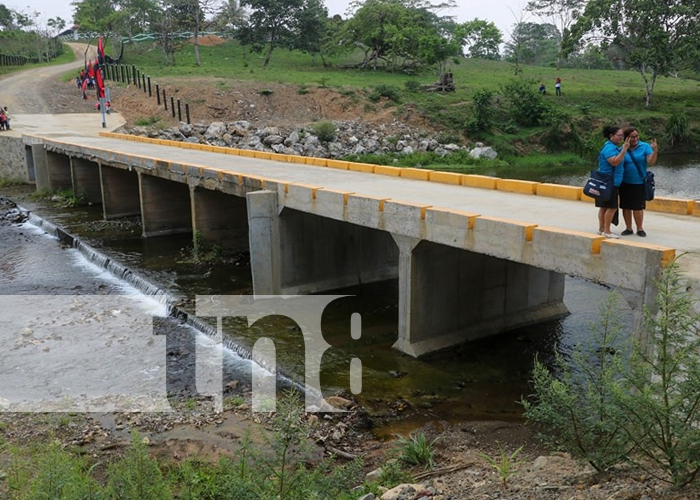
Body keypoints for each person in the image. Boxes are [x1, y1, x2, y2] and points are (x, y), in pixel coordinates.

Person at [619, 127, 658, 237]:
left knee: (638, 207)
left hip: (639, 182)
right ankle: (628, 228)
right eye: (632, 137)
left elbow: (650, 161)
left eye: (636, 136)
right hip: (624, 182)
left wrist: (655, 151)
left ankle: (640, 228)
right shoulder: (622, 148)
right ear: (626, 138)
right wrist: (624, 149)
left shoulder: (644, 146)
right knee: (626, 206)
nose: (635, 138)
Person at [596, 125, 630, 238]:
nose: (621, 138)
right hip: (609, 182)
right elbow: (614, 162)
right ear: (611, 136)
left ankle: (601, 229)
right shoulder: (609, 148)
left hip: (608, 181)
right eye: (619, 135)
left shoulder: (613, 147)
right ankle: (607, 231)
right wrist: (624, 149)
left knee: (604, 207)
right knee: (611, 207)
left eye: (622, 136)